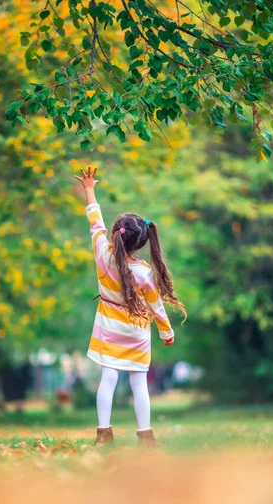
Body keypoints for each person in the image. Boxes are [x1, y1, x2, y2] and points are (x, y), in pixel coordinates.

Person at [75, 167, 186, 447]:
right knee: (139, 384)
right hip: (137, 331)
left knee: (108, 379)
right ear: (141, 242)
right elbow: (156, 306)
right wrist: (166, 331)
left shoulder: (102, 253)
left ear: (116, 234)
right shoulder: (145, 273)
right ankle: (146, 437)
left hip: (108, 329)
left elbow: (95, 221)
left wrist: (90, 190)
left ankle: (103, 434)